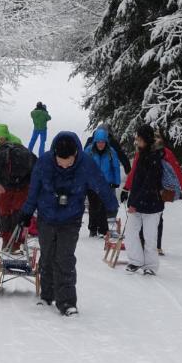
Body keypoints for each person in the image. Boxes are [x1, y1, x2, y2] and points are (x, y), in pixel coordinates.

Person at [18, 131, 118, 316]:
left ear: (75, 155)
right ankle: (47, 295)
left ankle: (67, 303)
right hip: (46, 217)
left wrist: (111, 206)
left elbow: (101, 184)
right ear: (55, 154)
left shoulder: (86, 164)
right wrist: (26, 213)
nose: (64, 166)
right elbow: (33, 190)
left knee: (65, 259)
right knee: (47, 256)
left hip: (71, 219)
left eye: (68, 162)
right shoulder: (44, 162)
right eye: (60, 162)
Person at [120, 124, 180, 275]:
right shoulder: (141, 154)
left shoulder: (155, 157)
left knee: (149, 237)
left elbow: (149, 184)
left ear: (146, 139)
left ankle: (151, 266)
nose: (136, 141)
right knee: (131, 233)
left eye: (139, 139)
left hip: (152, 205)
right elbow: (136, 178)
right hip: (138, 202)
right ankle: (136, 261)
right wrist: (127, 190)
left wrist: (135, 203)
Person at [0, 139, 35, 249]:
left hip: (23, 185)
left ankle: (16, 243)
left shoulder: (32, 159)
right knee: (4, 211)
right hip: (4, 184)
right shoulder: (3, 156)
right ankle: (6, 238)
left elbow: (40, 175)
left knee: (18, 212)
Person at [152, 129, 182, 255]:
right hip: (158, 189)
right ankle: (154, 246)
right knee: (156, 217)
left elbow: (176, 170)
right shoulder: (150, 153)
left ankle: (154, 245)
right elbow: (177, 170)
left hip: (158, 189)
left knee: (156, 216)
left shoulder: (163, 153)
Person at [85, 127, 121, 237]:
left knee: (104, 206)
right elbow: (83, 167)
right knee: (94, 206)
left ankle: (103, 230)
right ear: (95, 141)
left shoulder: (111, 152)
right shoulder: (89, 151)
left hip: (107, 184)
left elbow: (116, 167)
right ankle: (92, 228)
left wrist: (116, 181)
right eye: (98, 142)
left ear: (106, 142)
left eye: (103, 142)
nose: (100, 144)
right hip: (92, 184)